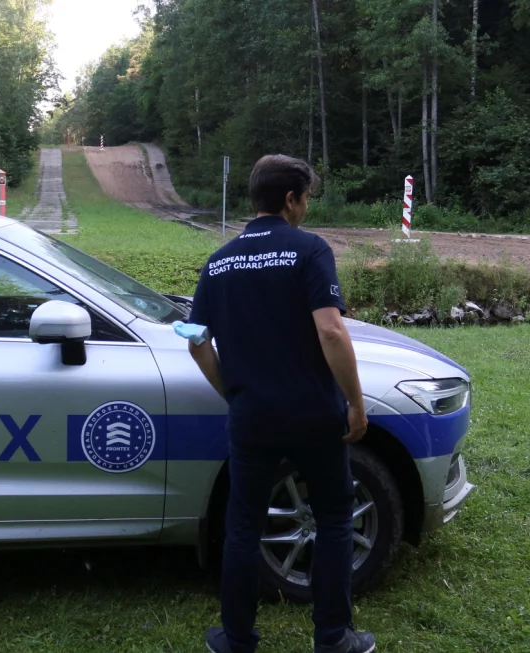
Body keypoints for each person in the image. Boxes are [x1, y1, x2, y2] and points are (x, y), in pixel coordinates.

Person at [186, 154, 375, 653]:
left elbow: (195, 341)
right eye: (306, 198)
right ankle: (333, 637)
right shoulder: (310, 250)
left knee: (243, 524)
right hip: (314, 412)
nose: (306, 207)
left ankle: (237, 638)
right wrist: (355, 402)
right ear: (290, 200)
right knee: (335, 518)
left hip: (252, 417)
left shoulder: (220, 260)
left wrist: (233, 393)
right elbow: (331, 330)